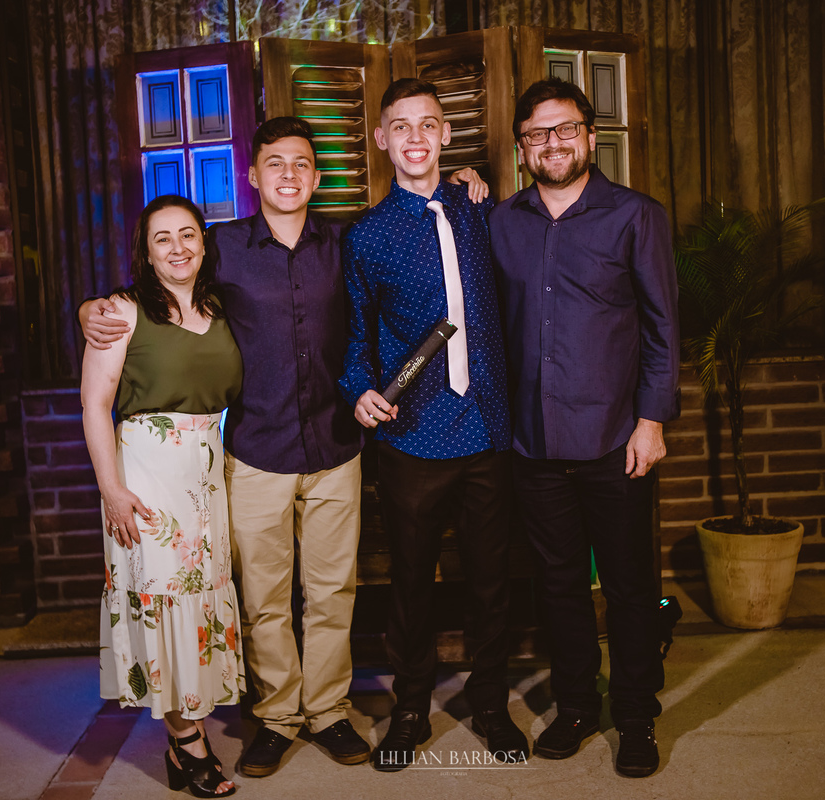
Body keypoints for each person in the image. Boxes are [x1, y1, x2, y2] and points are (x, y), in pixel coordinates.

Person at [81, 117, 491, 778]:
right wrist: (90, 308)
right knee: (264, 598)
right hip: (255, 451)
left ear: (317, 176)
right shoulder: (220, 246)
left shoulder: (348, 240)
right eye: (275, 163)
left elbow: (404, 273)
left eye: (301, 163)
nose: (289, 174)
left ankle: (327, 710)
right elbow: (157, 283)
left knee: (332, 592)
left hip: (337, 446)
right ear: (253, 175)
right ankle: (276, 716)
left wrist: (464, 180)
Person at [488, 78, 680, 779]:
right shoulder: (502, 223)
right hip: (532, 443)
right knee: (559, 585)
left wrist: (652, 421)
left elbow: (662, 328)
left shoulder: (636, 216)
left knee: (629, 587)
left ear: (590, 137)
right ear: (522, 148)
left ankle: (635, 716)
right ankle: (575, 706)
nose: (553, 143)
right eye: (537, 133)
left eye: (565, 128)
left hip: (615, 440)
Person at [339, 78, 526, 771]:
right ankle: (411, 708)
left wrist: (473, 180)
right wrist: (358, 389)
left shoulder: (482, 210)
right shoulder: (365, 236)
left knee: (491, 582)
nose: (415, 137)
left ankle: (490, 703)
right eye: (401, 126)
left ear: (446, 135)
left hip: (488, 428)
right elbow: (356, 334)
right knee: (412, 584)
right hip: (411, 433)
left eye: (428, 124)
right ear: (382, 139)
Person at [82, 194, 243, 797]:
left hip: (205, 473)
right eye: (162, 238)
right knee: (162, 598)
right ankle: (187, 740)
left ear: (204, 241)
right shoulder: (122, 312)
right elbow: (94, 404)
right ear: (146, 254)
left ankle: (187, 729)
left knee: (200, 598)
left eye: (187, 234)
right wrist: (111, 490)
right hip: (144, 476)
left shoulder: (220, 309)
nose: (178, 247)